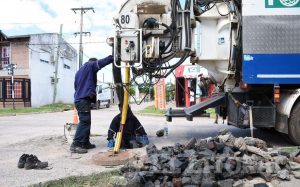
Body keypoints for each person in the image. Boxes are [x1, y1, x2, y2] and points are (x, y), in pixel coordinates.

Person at [70, 56, 113, 154]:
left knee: (86, 121)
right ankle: (76, 144)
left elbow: (76, 86)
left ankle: (85, 143)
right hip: (83, 100)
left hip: (79, 99)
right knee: (84, 122)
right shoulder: (90, 66)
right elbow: (102, 62)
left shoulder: (79, 72)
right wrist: (113, 57)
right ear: (93, 62)